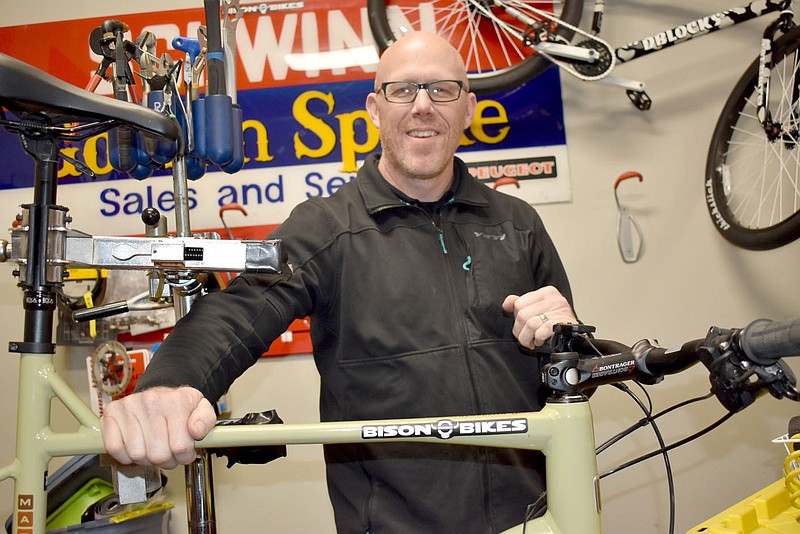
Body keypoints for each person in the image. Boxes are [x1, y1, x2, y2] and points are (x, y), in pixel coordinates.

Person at [102, 31, 578, 533]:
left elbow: (575, 368)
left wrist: (568, 335)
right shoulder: (327, 227)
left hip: (534, 522)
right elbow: (238, 310)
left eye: (442, 90)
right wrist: (170, 386)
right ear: (375, 108)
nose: (422, 107)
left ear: (468, 109)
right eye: (402, 91)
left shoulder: (517, 224)